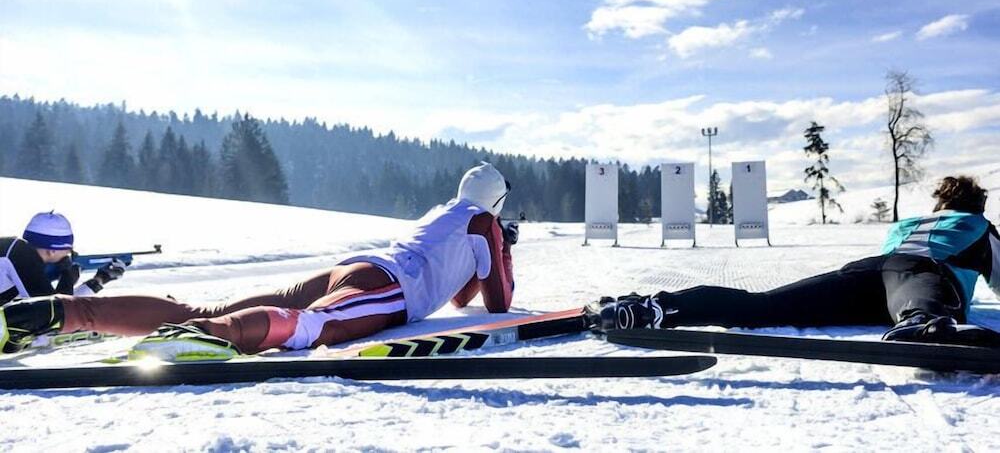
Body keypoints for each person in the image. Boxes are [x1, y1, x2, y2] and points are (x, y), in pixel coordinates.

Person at [0, 163, 517, 360]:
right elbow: (498, 300)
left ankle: (52, 313)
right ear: (496, 202)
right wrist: (504, 247)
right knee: (313, 328)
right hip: (390, 288)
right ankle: (210, 340)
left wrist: (489, 253)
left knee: (208, 308)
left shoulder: (445, 213)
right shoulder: (483, 223)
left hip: (356, 268)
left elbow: (461, 292)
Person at [589, 175, 1000, 347]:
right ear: (977, 205)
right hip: (919, 276)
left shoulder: (909, 223)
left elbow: (895, 266)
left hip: (868, 272)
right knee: (919, 303)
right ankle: (924, 323)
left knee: (762, 306)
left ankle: (656, 307)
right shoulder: (980, 226)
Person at [0, 211, 126, 307]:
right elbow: (53, 312)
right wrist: (67, 277)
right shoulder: (21, 255)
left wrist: (98, 281)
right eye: (68, 250)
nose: (69, 255)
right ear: (52, 250)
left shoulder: (14, 252)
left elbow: (52, 308)